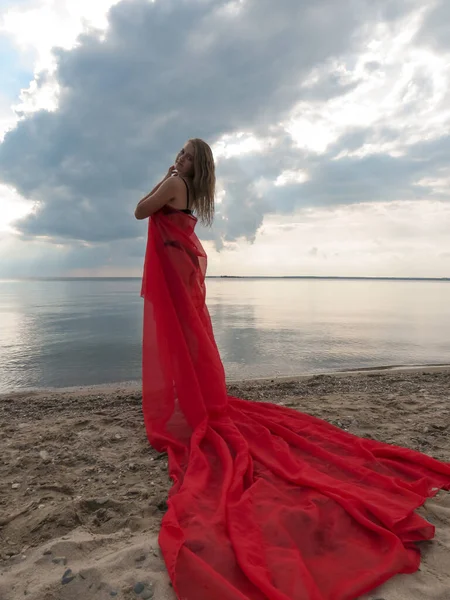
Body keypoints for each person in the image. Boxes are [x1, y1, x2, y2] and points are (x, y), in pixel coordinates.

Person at [136, 139, 450, 600]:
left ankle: (195, 406)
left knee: (186, 347)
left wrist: (164, 175)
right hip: (184, 278)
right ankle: (199, 401)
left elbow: (141, 210)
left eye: (187, 155)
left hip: (178, 280)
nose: (180, 158)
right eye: (179, 152)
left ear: (194, 166)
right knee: (192, 347)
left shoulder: (173, 183)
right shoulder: (189, 189)